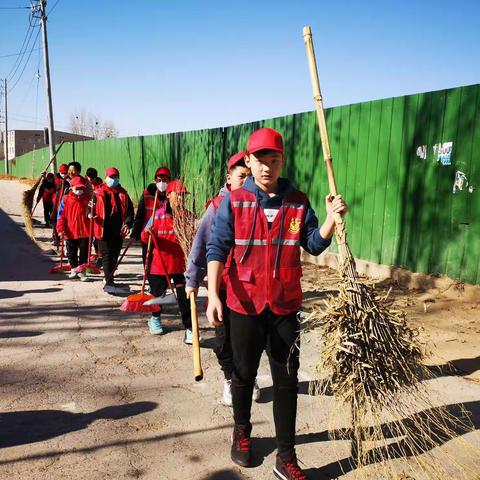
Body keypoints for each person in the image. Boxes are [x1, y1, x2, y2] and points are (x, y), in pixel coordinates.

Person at [206, 128, 348, 479]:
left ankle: (286, 457)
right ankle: (242, 431)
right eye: (259, 160)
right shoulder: (234, 201)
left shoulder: (297, 202)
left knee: (286, 381)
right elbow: (217, 249)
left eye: (273, 160)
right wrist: (212, 294)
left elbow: (313, 244)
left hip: (284, 305)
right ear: (250, 162)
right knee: (243, 374)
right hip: (244, 304)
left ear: (281, 161)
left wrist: (331, 219)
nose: (266, 167)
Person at [185, 152, 260, 406]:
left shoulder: (256, 204)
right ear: (229, 178)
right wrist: (192, 279)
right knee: (225, 339)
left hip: (251, 286)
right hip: (224, 286)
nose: (247, 181)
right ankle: (230, 378)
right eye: (242, 177)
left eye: (249, 176)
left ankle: (248, 376)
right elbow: (201, 244)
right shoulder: (216, 208)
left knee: (250, 338)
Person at [142, 179, 193, 343]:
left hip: (180, 265)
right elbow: (144, 237)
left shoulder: (188, 217)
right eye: (178, 195)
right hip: (160, 265)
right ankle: (155, 319)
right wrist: (149, 233)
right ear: (169, 195)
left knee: (184, 298)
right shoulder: (157, 216)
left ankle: (190, 328)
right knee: (159, 295)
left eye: (183, 196)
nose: (181, 199)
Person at [93, 167, 134, 294]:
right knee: (107, 256)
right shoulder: (98, 193)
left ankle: (109, 277)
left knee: (115, 255)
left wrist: (128, 224)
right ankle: (109, 281)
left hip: (118, 230)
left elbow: (130, 212)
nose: (114, 179)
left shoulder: (123, 193)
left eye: (116, 177)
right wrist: (90, 214)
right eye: (111, 177)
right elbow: (90, 207)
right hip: (103, 229)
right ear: (106, 178)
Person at [131, 167, 171, 266]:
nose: (162, 183)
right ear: (155, 181)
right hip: (148, 233)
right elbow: (140, 214)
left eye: (165, 180)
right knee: (148, 261)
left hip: (165, 236)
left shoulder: (172, 195)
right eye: (159, 180)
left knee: (164, 262)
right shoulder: (147, 194)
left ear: (169, 181)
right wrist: (135, 231)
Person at [56, 176, 90, 281]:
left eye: (82, 189)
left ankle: (82, 271)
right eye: (77, 189)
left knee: (84, 252)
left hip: (85, 231)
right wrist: (60, 229)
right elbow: (61, 216)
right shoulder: (66, 200)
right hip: (70, 231)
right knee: (71, 252)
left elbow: (93, 212)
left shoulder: (88, 199)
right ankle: (74, 268)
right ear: (71, 188)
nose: (80, 191)